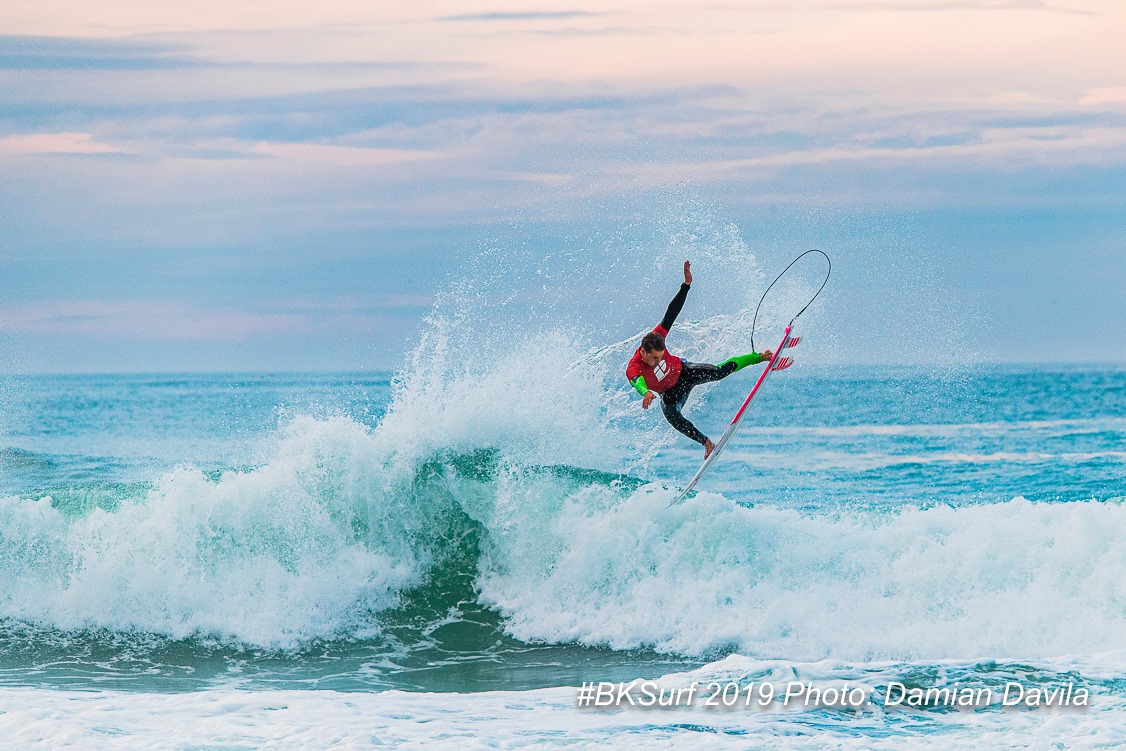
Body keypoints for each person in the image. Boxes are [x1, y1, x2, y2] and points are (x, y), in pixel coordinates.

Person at [626, 261, 772, 459]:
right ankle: (707, 443)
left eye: (660, 357)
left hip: (685, 372)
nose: (656, 361)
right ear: (643, 351)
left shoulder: (657, 336)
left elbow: (671, 312)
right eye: (653, 358)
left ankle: (760, 357)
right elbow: (637, 381)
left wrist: (686, 285)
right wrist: (646, 392)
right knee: (672, 416)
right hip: (670, 393)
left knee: (719, 372)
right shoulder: (634, 367)